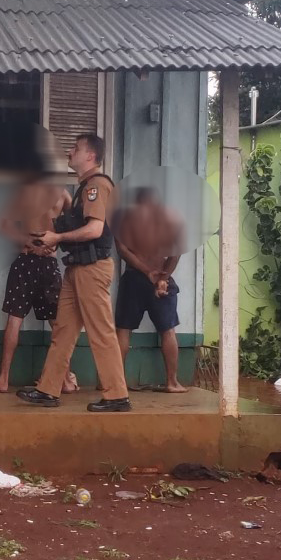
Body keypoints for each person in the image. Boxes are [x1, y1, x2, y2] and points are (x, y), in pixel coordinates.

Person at [19, 134, 130, 412]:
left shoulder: (97, 186)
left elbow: (95, 229)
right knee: (64, 331)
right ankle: (48, 389)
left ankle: (117, 395)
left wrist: (57, 238)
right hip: (77, 267)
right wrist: (51, 238)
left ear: (90, 156)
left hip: (92, 269)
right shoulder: (82, 189)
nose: (70, 152)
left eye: (76, 148)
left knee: (101, 331)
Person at [0, 179, 81, 395]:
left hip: (25, 259)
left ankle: (3, 379)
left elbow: (2, 226)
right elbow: (76, 223)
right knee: (59, 325)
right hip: (49, 261)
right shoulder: (61, 193)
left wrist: (28, 243)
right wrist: (56, 241)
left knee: (14, 320)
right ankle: (66, 380)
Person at [114, 186, 188, 393]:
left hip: (134, 278)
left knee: (123, 330)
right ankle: (172, 382)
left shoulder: (126, 218)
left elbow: (122, 250)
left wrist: (147, 272)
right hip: (161, 279)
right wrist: (162, 277)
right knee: (168, 330)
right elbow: (176, 253)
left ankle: (114, 383)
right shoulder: (171, 219)